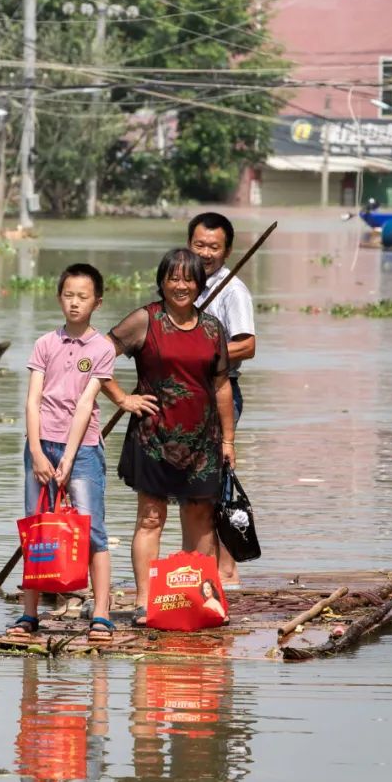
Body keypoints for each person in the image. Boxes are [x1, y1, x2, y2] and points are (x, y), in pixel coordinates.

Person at [6, 263, 134, 648]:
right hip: (40, 446)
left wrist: (68, 458)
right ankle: (30, 615)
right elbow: (32, 400)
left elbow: (85, 404)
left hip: (83, 450)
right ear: (59, 297)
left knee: (93, 532)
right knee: (37, 528)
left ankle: (101, 615)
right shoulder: (46, 343)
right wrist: (36, 451)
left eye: (83, 297)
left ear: (97, 302)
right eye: (68, 295)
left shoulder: (101, 348)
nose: (75, 303)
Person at [105, 247, 235, 628]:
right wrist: (121, 397)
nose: (180, 285)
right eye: (173, 278)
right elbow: (93, 358)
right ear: (161, 281)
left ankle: (197, 597)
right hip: (154, 436)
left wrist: (228, 441)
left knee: (200, 516)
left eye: (188, 279)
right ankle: (145, 602)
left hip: (203, 439)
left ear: (199, 284)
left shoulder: (213, 328)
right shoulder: (145, 320)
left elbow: (222, 384)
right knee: (150, 518)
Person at [187, 211, 255, 589]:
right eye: (200, 244)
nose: (206, 252)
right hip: (184, 397)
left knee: (216, 481)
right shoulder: (184, 283)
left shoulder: (231, 290)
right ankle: (203, 564)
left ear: (227, 250)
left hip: (219, 394)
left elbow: (247, 344)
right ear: (189, 245)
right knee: (195, 483)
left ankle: (227, 572)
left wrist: (201, 354)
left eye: (214, 246)